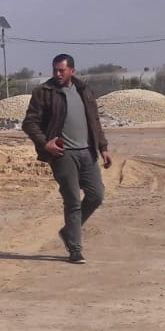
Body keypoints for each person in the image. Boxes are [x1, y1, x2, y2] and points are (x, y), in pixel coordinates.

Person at [22, 53, 111, 264]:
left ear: (72, 70)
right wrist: (45, 144)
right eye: (55, 70)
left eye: (61, 70)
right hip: (63, 154)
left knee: (96, 195)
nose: (57, 74)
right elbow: (29, 123)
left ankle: (69, 231)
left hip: (87, 152)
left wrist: (103, 147)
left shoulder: (84, 90)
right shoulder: (44, 92)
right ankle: (75, 249)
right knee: (72, 200)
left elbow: (95, 121)